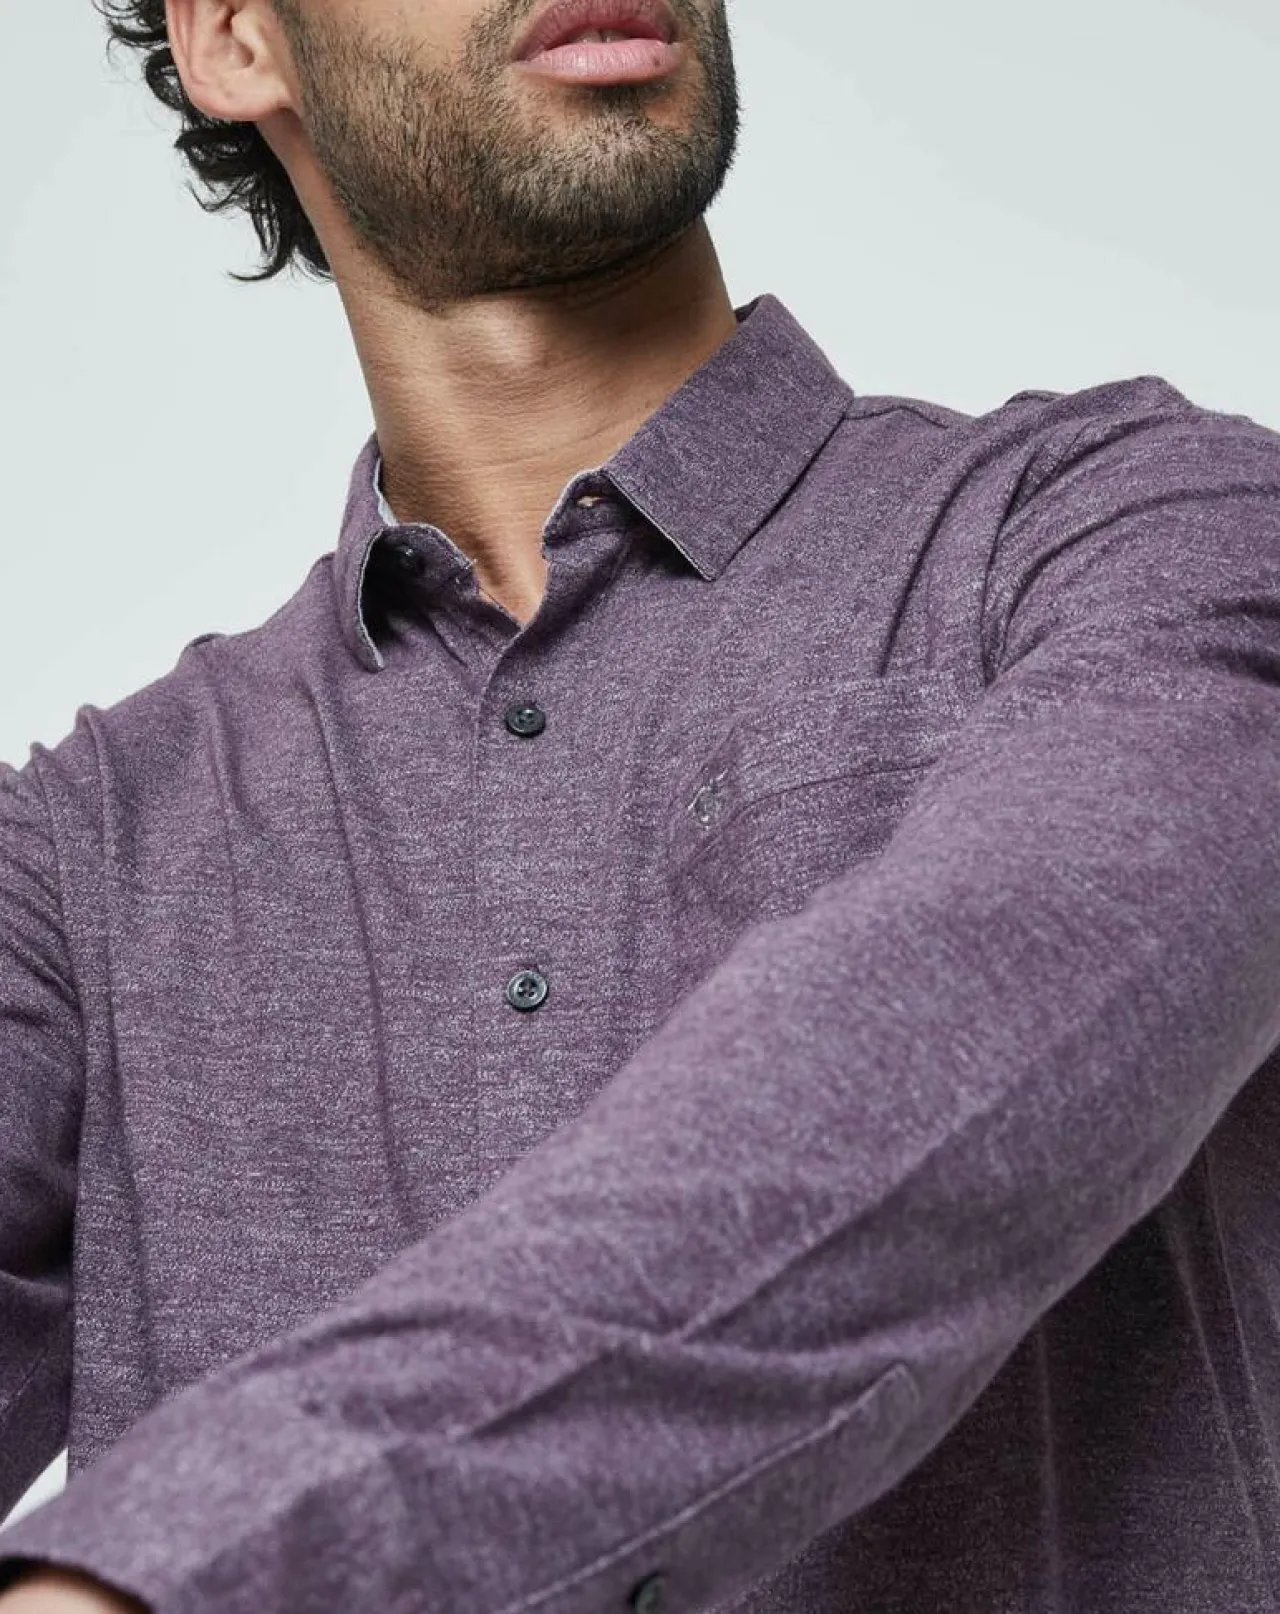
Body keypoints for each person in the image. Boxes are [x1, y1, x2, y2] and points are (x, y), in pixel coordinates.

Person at [4, 1, 1280, 1611]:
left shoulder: (1149, 537)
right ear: (237, 40)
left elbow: (946, 1056)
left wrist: (164, 1576)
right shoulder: (81, 861)